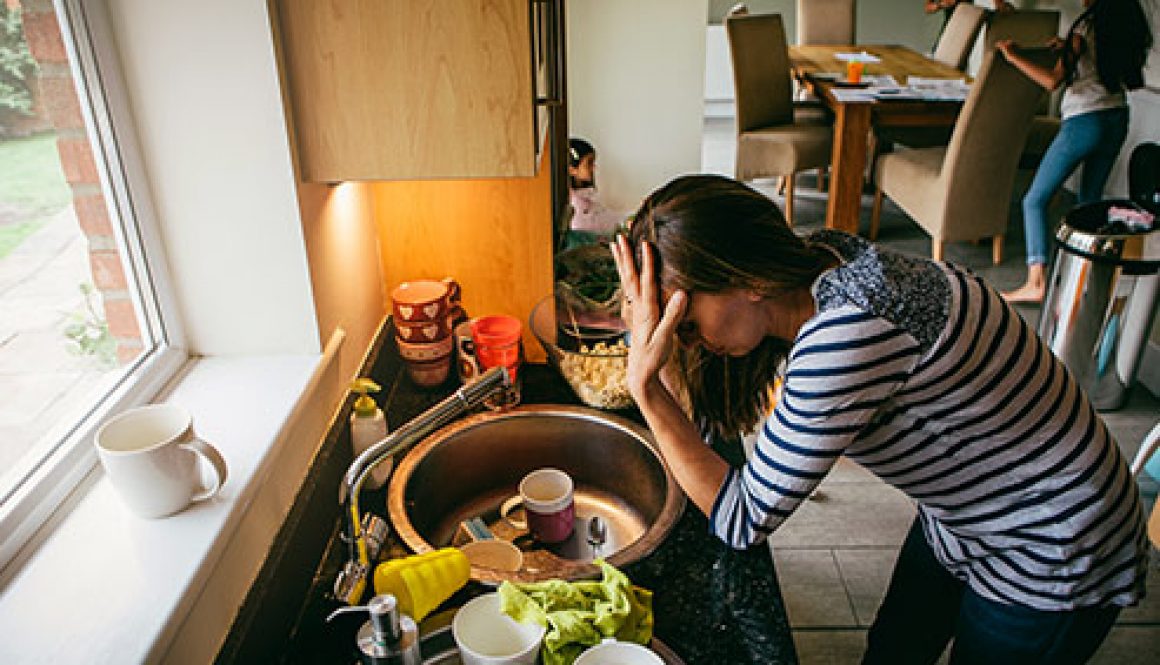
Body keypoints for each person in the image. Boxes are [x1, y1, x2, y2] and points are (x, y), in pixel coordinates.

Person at [610, 174, 1147, 663]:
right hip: (964, 515)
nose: (684, 339)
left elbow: (740, 517)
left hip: (1051, 537)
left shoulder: (845, 336)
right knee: (894, 651)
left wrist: (646, 386)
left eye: (682, 319)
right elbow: (707, 423)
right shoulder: (823, 259)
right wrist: (652, 332)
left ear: (748, 279)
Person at [998, 0, 1152, 303]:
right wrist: (1068, 47)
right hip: (1116, 117)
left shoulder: (1084, 28)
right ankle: (1085, 279)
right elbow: (1098, 58)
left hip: (1084, 121)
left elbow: (1052, 81)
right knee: (1089, 201)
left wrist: (1012, 55)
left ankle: (1036, 282)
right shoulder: (1120, 23)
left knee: (1034, 200)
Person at [567, 137, 623, 239]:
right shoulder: (576, 203)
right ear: (572, 170)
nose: (594, 167)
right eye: (589, 163)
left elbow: (606, 217)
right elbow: (595, 226)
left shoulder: (585, 194)